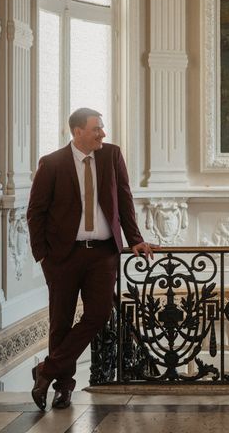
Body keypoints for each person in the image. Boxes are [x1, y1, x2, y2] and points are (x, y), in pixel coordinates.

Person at [27, 108, 154, 410]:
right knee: (60, 321)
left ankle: (46, 369)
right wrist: (42, 254)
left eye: (102, 127)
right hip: (62, 256)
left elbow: (124, 199)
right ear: (77, 131)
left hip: (102, 254)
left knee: (97, 315)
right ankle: (63, 387)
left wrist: (135, 240)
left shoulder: (111, 156)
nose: (103, 134)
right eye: (96, 129)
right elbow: (36, 212)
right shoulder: (52, 163)